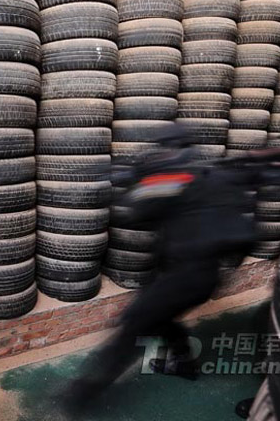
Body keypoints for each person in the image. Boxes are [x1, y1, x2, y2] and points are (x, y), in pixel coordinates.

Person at [63, 124, 256, 410]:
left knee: (134, 324)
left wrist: (136, 183)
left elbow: (137, 213)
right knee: (162, 319)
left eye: (163, 151)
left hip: (185, 276)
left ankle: (80, 395)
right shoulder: (208, 177)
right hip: (203, 276)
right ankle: (185, 364)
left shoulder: (176, 179)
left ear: (173, 150)